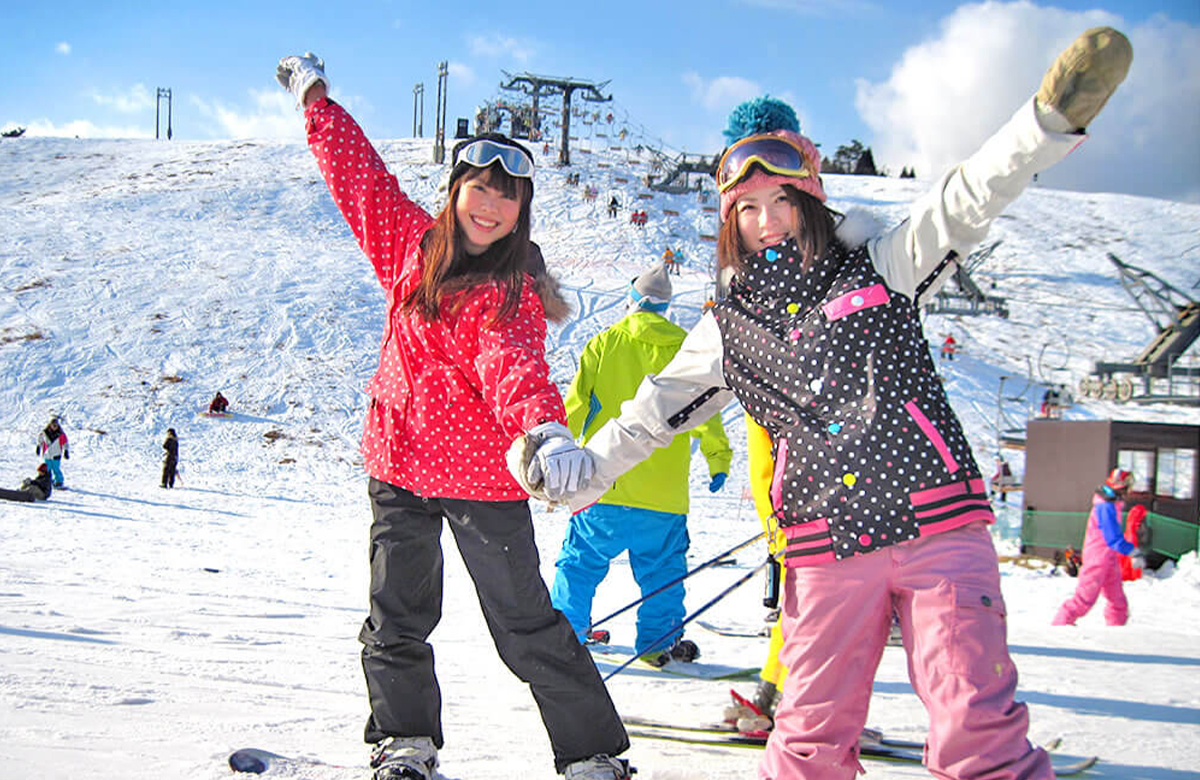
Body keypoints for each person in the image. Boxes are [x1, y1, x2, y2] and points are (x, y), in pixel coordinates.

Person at [514, 28, 1132, 780]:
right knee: (807, 744)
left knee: (975, 729)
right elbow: (653, 413)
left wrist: (1042, 124)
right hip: (825, 551)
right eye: (746, 209)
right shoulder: (728, 327)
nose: (766, 220)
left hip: (936, 527)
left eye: (781, 200)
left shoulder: (882, 265)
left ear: (810, 197)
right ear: (728, 222)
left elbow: (964, 201)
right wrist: (581, 469)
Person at [276, 53, 630, 780]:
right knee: (396, 616)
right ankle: (405, 742)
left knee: (524, 625)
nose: (490, 205)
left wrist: (543, 429)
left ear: (520, 210)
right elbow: (358, 176)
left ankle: (592, 755)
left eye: (507, 197)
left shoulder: (508, 292)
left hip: (481, 481)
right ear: (455, 190)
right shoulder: (408, 246)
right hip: (399, 467)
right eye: (479, 187)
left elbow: (515, 364)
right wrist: (316, 99)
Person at [550, 263, 732, 666]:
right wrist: (718, 457)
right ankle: (657, 643)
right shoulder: (687, 347)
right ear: (665, 307)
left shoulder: (604, 343)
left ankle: (568, 638)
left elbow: (577, 406)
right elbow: (705, 411)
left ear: (632, 300)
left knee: (580, 564)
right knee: (664, 573)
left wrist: (556, 451)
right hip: (663, 492)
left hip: (603, 479)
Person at [1053, 468, 1143, 626]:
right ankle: (1061, 624)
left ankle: (1117, 631)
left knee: (1118, 601)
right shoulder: (1105, 507)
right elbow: (1112, 537)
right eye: (1127, 484)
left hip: (1109, 558)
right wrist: (1132, 552)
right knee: (1084, 600)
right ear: (1119, 485)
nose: (1129, 489)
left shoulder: (1113, 504)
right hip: (1098, 558)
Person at [37, 417, 69, 488]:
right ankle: (47, 481)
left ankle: (59, 481)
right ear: (50, 425)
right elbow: (40, 440)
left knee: (56, 469)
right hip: (47, 454)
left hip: (56, 455)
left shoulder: (61, 435)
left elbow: (65, 443)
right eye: (53, 425)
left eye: (56, 425)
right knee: (47, 469)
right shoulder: (45, 433)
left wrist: (66, 451)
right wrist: (38, 447)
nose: (54, 427)